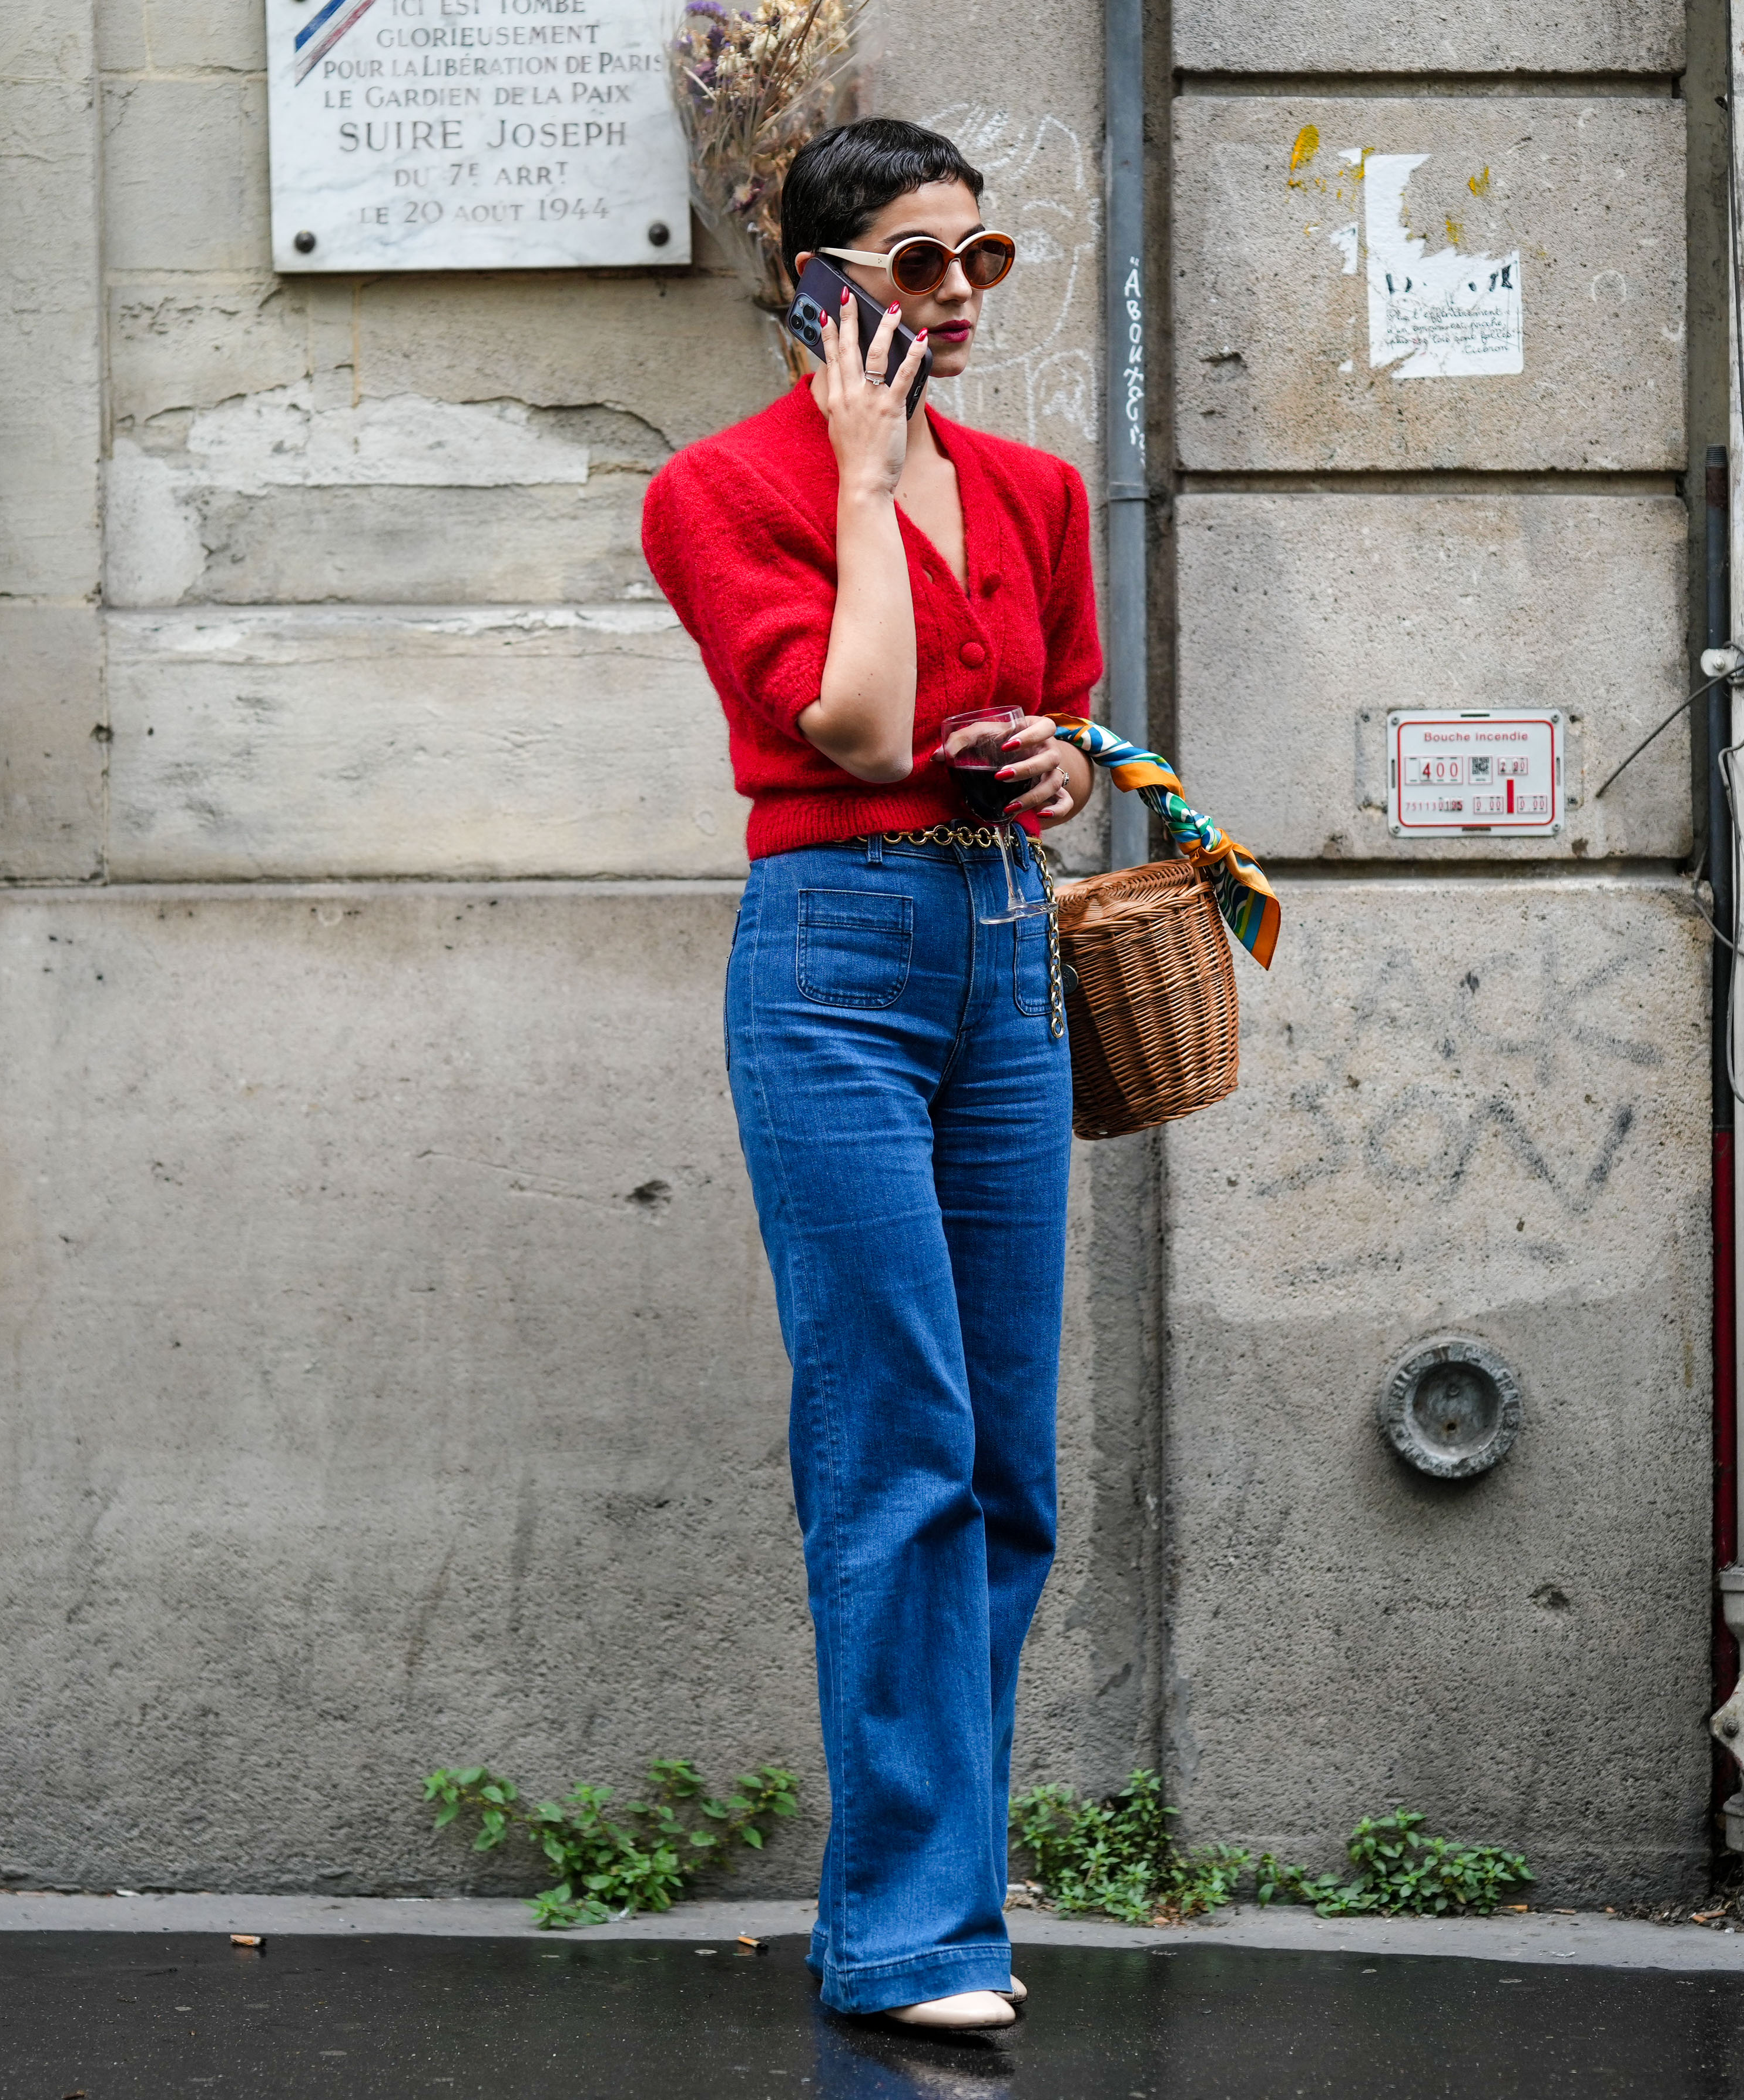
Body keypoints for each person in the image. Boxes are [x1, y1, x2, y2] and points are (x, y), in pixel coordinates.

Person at [639, 116, 1103, 2032]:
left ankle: (930, 1909)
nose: (961, 296)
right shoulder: (718, 491)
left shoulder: (1039, 492)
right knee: (896, 1441)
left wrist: (1063, 763)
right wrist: (860, 470)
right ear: (817, 285)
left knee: (1005, 1462)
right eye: (920, 264)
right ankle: (919, 1935)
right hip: (833, 956)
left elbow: (1064, 720)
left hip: (1003, 946)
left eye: (982, 258)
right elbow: (853, 721)